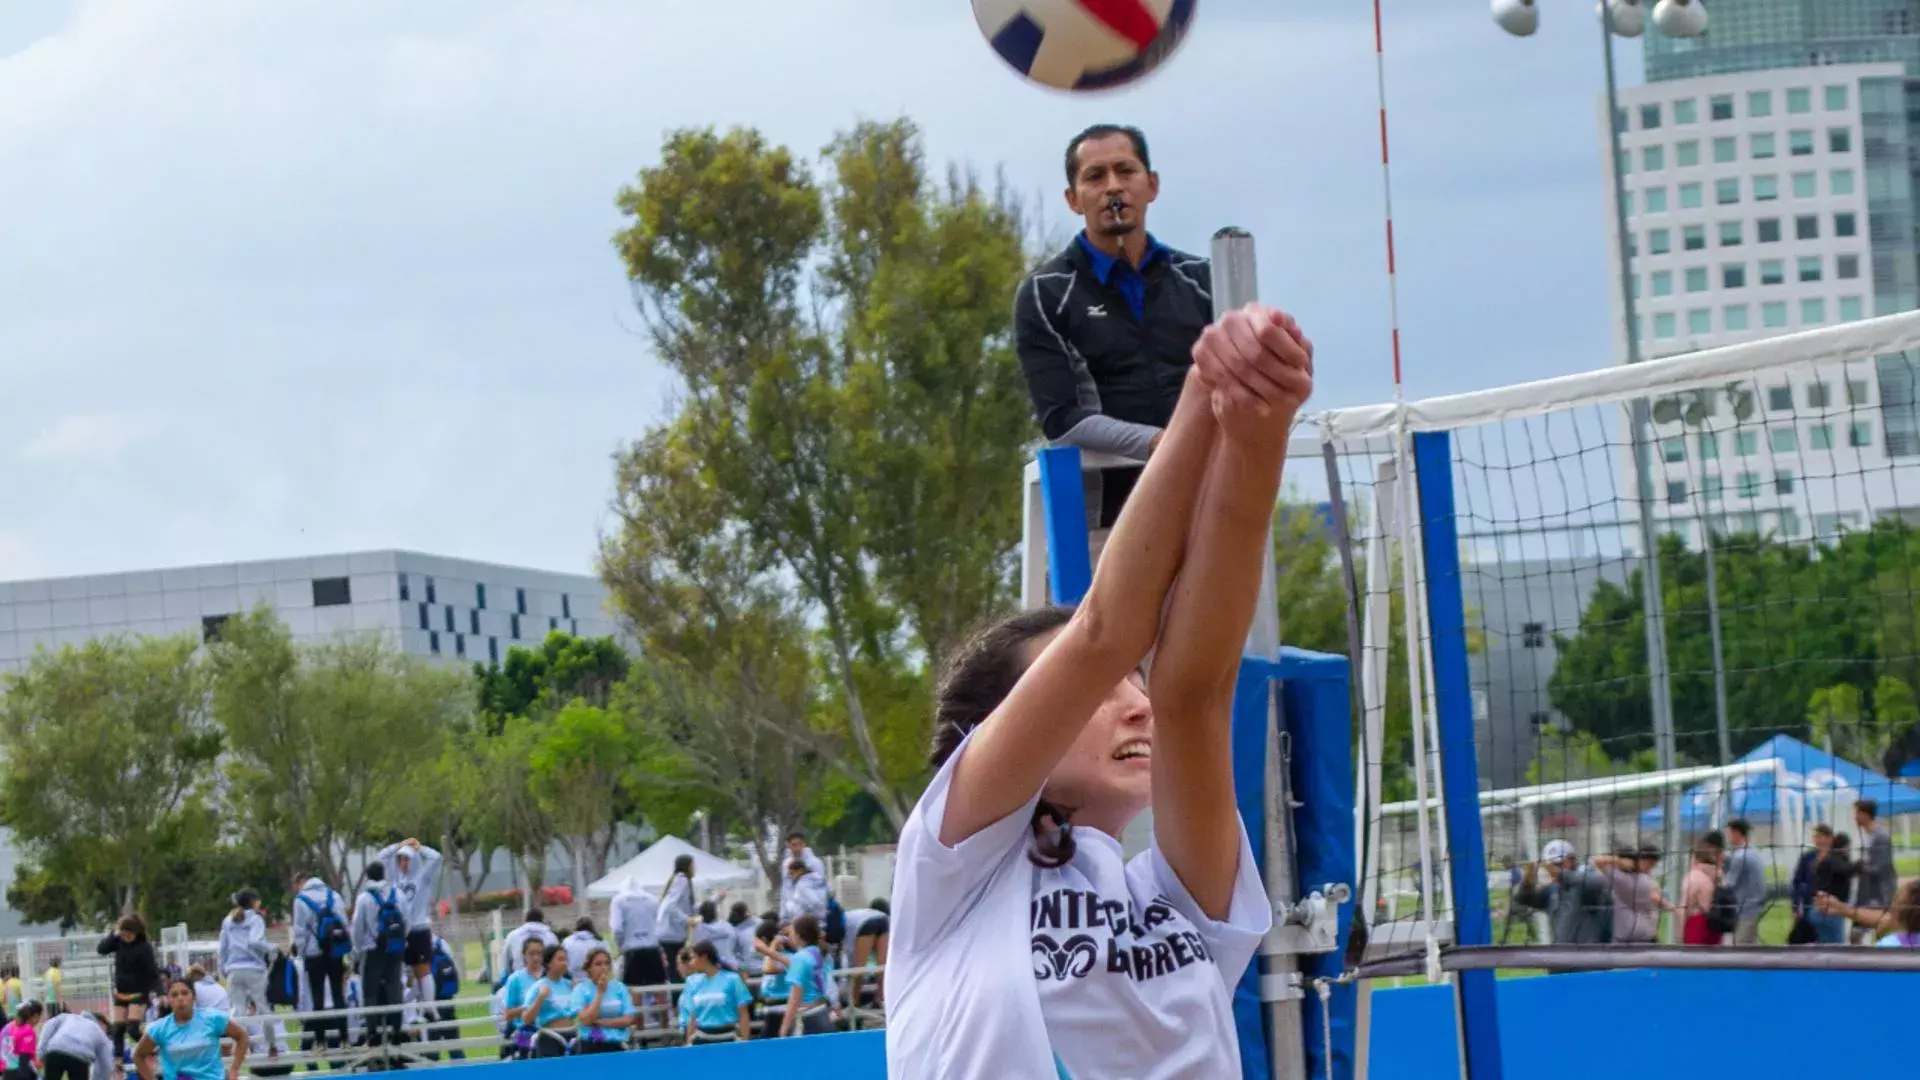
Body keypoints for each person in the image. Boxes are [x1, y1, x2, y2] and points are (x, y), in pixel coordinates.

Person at [888, 302, 1308, 1077]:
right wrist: (1201, 393)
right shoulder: (954, 870)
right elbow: (1104, 631)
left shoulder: (1173, 899)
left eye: (1130, 685)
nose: (1135, 702)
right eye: (1095, 693)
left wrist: (1257, 430)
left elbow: (1195, 690)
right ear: (1005, 729)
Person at [1013, 124, 1215, 548]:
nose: (1113, 187)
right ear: (1073, 199)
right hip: (1106, 522)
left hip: (1210, 499)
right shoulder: (1046, 291)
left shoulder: (1203, 279)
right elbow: (1061, 418)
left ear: (1152, 185)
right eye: (1095, 176)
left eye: (1125, 171)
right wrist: (1161, 443)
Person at [373, 839, 444, 1012]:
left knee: (423, 970)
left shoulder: (423, 875)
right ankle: (407, 1011)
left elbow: (436, 857)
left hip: (419, 928)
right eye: (401, 859)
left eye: (408, 859)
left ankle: (430, 1008)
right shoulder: (394, 877)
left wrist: (420, 847)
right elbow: (381, 856)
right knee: (400, 972)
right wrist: (398, 845)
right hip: (399, 931)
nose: (404, 863)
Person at [288, 872, 350, 1063]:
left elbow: (300, 931)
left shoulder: (301, 900)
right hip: (334, 952)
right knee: (338, 994)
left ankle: (321, 1041)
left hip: (314, 954)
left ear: (301, 883)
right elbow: (344, 923)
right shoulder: (333, 895)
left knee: (317, 998)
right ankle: (345, 1038)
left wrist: (302, 951)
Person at [132, 979, 248, 1080]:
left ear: (193, 997)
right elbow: (138, 1056)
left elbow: (242, 1036)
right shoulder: (159, 1028)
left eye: (184, 993)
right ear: (169, 1000)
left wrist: (234, 1070)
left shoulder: (213, 1018)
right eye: (174, 995)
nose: (180, 998)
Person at [349, 862, 407, 1051]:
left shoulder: (364, 898)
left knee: (370, 992)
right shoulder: (397, 894)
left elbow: (357, 927)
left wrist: (357, 950)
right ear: (384, 874)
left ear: (367, 877)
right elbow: (407, 921)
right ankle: (396, 1032)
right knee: (394, 988)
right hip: (395, 949)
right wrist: (399, 940)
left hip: (372, 950)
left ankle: (372, 1033)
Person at [1512, 840, 1611, 945]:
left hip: (1591, 954)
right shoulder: (1552, 889)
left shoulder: (1586, 875)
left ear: (1572, 859)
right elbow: (1522, 898)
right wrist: (1527, 883)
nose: (1553, 869)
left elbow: (1597, 883)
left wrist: (1560, 874)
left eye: (1558, 864)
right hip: (1562, 954)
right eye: (1551, 866)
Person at [216, 890, 278, 1056]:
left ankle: (239, 1048)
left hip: (234, 969)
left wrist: (223, 969)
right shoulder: (255, 919)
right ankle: (271, 1046)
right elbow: (255, 941)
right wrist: (273, 948)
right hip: (254, 968)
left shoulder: (228, 920)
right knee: (263, 1008)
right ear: (254, 902)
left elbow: (222, 949)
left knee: (237, 1010)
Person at [96, 915, 161, 1066]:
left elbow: (152, 972)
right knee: (118, 1028)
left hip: (138, 991)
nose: (126, 938)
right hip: (121, 990)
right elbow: (101, 950)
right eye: (123, 935)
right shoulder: (118, 942)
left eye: (129, 935)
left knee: (132, 1028)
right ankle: (117, 1059)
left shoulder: (144, 947)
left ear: (136, 933)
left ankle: (152, 1046)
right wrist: (114, 934)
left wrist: (158, 991)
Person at [1594, 845, 1674, 945]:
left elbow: (1598, 861)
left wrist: (1618, 861)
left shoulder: (1620, 879)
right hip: (1648, 933)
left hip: (1626, 936)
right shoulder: (1647, 879)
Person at [676, 942, 751, 1045]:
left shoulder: (733, 979)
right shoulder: (692, 982)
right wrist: (689, 1042)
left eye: (693, 958)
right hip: (701, 1039)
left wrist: (745, 1041)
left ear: (704, 957)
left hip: (728, 1038)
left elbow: (743, 1013)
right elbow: (692, 1016)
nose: (691, 963)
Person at [1816, 878, 1920, 946]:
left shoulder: (1888, 944)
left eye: (1896, 900)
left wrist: (1879, 935)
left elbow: (1885, 918)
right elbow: (1884, 917)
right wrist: (1843, 909)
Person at [569, 948, 632, 1054]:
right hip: (591, 1043)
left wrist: (603, 1022)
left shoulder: (619, 987)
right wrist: (600, 993)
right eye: (598, 964)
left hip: (617, 1043)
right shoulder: (580, 989)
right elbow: (586, 1020)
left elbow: (628, 1019)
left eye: (606, 963)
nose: (603, 968)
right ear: (589, 968)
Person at [518, 946, 576, 1059]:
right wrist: (541, 997)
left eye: (565, 960)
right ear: (549, 964)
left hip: (571, 1033)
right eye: (560, 960)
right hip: (550, 1037)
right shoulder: (539, 987)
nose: (564, 963)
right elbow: (526, 1019)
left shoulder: (570, 985)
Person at [608, 882, 663, 998]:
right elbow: (660, 924)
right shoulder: (653, 900)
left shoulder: (618, 900)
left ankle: (636, 1016)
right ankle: (664, 1015)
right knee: (659, 989)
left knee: (633, 993)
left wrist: (620, 945)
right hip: (653, 949)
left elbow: (617, 928)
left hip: (631, 949)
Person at [1853, 799, 1896, 940]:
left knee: (1873, 935)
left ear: (1865, 814)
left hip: (1878, 896)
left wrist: (1858, 867)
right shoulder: (1870, 835)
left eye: (1857, 813)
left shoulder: (1880, 837)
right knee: (1858, 935)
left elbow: (1881, 867)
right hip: (1868, 894)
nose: (1854, 817)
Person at [498, 937, 546, 1060]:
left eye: (539, 953)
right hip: (522, 1031)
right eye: (531, 954)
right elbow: (508, 1014)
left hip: (547, 1031)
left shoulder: (549, 977)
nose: (536, 957)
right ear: (524, 955)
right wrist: (528, 1007)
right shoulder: (515, 979)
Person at [1721, 819, 1767, 944]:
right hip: (1754, 908)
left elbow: (1728, 885)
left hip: (1743, 910)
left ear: (1736, 833)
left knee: (1738, 949)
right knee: (1750, 948)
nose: (1728, 837)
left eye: (1729, 833)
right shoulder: (1754, 853)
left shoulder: (1740, 856)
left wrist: (1716, 873)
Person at [838, 899, 890, 1009]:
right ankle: (880, 999)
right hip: (883, 919)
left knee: (859, 968)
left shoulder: (844, 929)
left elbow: (853, 960)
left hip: (866, 924)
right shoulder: (848, 916)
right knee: (882, 966)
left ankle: (854, 1004)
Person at [1810, 832, 1858, 944]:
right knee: (1835, 944)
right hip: (1829, 909)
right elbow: (1846, 870)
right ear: (1845, 846)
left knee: (1826, 941)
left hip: (1825, 906)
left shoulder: (1830, 858)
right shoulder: (1833, 859)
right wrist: (1861, 865)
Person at [653, 856, 695, 985]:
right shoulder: (682, 880)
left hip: (670, 933)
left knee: (674, 970)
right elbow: (671, 905)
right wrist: (686, 919)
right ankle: (677, 1001)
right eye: (693, 866)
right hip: (672, 934)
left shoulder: (676, 880)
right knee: (676, 971)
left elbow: (689, 907)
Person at [38, 1012, 112, 1080]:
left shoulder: (68, 1017)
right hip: (80, 1056)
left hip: (56, 1049)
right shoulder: (98, 1031)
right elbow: (105, 1064)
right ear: (99, 1022)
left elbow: (49, 1026)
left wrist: (42, 1053)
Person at [1680, 837, 1725, 945]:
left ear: (1695, 858)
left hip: (1697, 922)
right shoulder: (1719, 876)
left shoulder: (1693, 876)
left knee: (1694, 959)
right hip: (1716, 922)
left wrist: (1680, 931)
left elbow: (1685, 906)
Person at [498, 910, 557, 988]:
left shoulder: (513, 936)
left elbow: (506, 961)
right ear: (542, 920)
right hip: (546, 981)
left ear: (526, 920)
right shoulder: (551, 937)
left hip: (519, 981)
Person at [778, 858, 828, 926]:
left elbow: (814, 903)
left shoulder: (802, 885)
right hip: (823, 922)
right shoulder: (819, 879)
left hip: (808, 924)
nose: (791, 877)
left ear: (800, 870)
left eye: (792, 873)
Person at [1, 1002, 42, 1080]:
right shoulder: (27, 1030)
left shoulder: (6, 1028)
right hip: (21, 1072)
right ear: (35, 1016)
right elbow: (24, 1057)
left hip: (6, 1072)